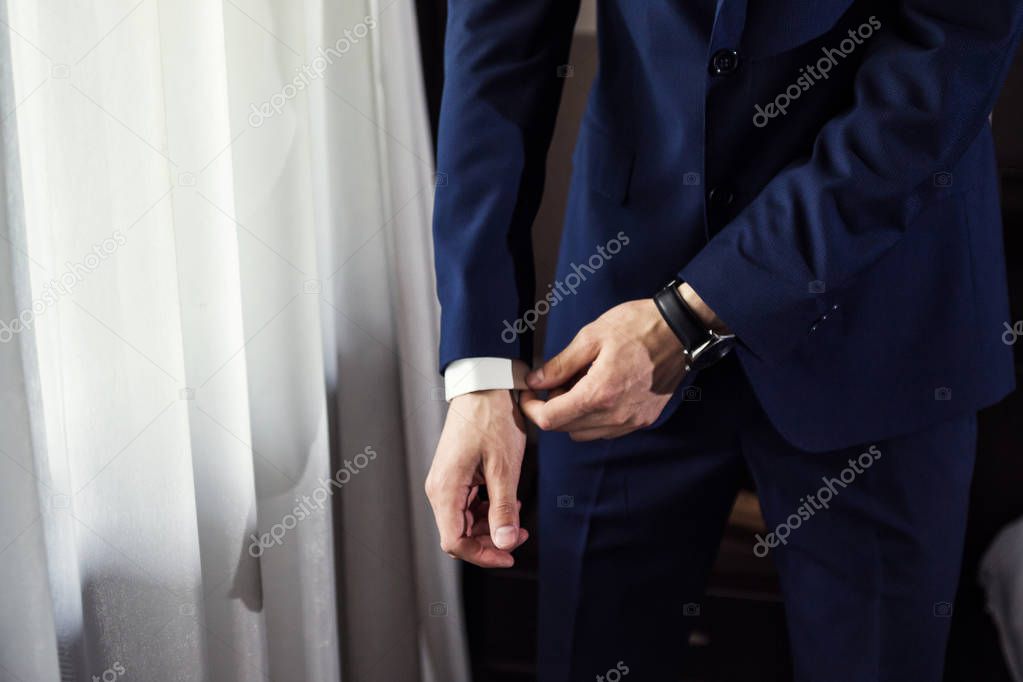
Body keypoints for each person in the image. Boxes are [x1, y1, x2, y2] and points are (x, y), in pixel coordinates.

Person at [424, 1, 1023, 679]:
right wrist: (479, 371)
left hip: (885, 312)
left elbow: (943, 64)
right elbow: (496, 57)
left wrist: (692, 314)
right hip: (616, 302)